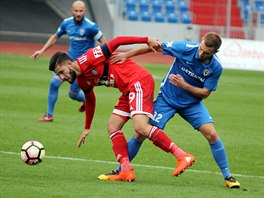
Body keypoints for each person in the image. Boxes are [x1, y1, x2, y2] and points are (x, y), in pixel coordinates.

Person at [98, 32, 240, 188]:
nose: (201, 53)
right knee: (140, 132)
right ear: (200, 42)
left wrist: (184, 85)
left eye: (206, 53)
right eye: (201, 48)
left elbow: (205, 93)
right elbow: (154, 46)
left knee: (212, 134)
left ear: (215, 52)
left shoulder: (216, 67)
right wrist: (128, 55)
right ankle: (120, 170)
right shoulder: (184, 48)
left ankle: (228, 176)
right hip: (167, 100)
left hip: (192, 104)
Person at [48, 35, 196, 182]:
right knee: (113, 126)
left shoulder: (90, 57)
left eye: (61, 72)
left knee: (140, 126)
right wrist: (87, 127)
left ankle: (182, 155)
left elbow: (117, 41)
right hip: (127, 89)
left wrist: (146, 40)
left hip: (138, 80)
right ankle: (125, 170)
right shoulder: (81, 81)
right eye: (59, 75)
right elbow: (90, 99)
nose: (62, 77)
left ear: (69, 63)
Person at [31, 0, 106, 122]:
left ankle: (87, 101)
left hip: (81, 66)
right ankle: (49, 115)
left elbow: (104, 43)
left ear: (85, 11)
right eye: (76, 11)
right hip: (67, 61)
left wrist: (97, 58)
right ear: (72, 10)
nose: (78, 13)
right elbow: (55, 37)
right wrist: (42, 50)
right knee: (54, 83)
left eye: (81, 11)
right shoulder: (66, 23)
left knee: (73, 94)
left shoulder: (91, 26)